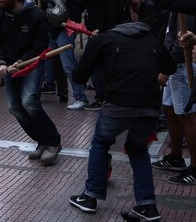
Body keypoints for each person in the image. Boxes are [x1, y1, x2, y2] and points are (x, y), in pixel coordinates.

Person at [69, 21, 176, 220]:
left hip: (118, 104)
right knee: (138, 150)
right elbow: (170, 65)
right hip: (149, 107)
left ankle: (90, 197)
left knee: (100, 143)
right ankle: (147, 205)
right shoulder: (152, 41)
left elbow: (79, 76)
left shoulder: (103, 40)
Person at [132, 0, 196, 186]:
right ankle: (176, 157)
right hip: (173, 64)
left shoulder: (186, 1)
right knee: (170, 109)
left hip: (180, 65)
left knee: (188, 114)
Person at [0, 0, 62, 165]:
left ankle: (53, 142)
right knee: (14, 107)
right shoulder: (0, 14)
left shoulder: (36, 15)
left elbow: (40, 45)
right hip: (9, 67)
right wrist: (1, 62)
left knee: (29, 101)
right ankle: (43, 141)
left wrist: (21, 62)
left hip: (31, 65)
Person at [33, 0, 88, 110]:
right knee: (42, 61)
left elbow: (60, 11)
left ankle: (81, 97)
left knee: (68, 63)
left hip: (65, 28)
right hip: (52, 30)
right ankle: (33, 93)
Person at [68, 0, 112, 111]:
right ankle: (103, 96)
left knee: (93, 63)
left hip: (98, 30)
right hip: (96, 27)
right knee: (98, 65)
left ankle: (102, 98)